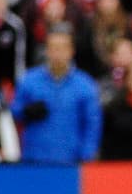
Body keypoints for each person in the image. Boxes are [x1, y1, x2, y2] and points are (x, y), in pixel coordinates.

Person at [10, 23, 102, 164]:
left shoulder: (85, 85)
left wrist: (87, 154)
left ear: (71, 51)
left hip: (71, 159)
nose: (57, 54)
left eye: (62, 48)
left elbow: (92, 123)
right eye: (53, 48)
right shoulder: (29, 80)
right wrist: (26, 111)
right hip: (35, 157)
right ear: (46, 51)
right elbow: (14, 111)